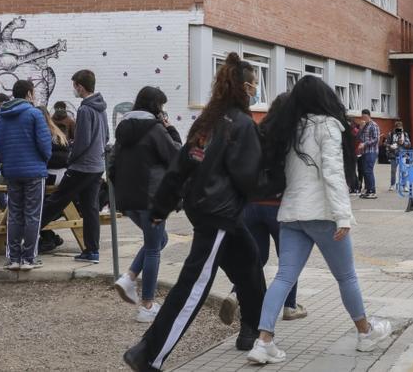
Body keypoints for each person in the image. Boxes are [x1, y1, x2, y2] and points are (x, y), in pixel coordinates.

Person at [123, 53, 266, 371]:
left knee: (250, 263)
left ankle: (254, 332)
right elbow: (247, 177)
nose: (258, 90)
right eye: (256, 84)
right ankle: (149, 355)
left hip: (207, 209)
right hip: (218, 213)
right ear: (244, 87)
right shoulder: (241, 124)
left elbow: (180, 166)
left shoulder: (209, 122)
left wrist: (161, 207)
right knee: (194, 286)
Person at [246, 76, 391, 365]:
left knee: (283, 277)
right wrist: (342, 216)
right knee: (346, 276)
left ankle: (263, 342)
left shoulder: (288, 128)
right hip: (323, 214)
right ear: (324, 97)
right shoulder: (328, 126)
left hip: (291, 214)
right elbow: (333, 174)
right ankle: (365, 333)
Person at [227, 93, 307, 329]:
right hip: (279, 208)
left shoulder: (257, 131)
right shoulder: (293, 136)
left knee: (256, 257)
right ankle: (290, 306)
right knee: (289, 261)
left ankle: (234, 295)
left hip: (251, 206)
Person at [110, 86, 181, 323]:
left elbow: (112, 164)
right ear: (155, 107)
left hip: (128, 200)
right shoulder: (156, 130)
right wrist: (171, 130)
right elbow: (175, 157)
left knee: (160, 240)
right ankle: (147, 305)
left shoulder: (122, 129)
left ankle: (129, 277)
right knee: (153, 248)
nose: (162, 111)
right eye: (161, 106)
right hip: (151, 198)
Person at [38, 70, 108, 260]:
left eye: (74, 86)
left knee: (55, 201)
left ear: (80, 86)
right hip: (97, 165)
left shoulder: (85, 109)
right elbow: (106, 136)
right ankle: (92, 250)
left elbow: (82, 141)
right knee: (90, 208)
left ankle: (25, 236)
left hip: (82, 166)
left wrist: (71, 158)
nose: (74, 90)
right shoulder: (101, 107)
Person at [0, 80, 52, 270]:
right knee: (33, 215)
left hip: (12, 171)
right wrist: (44, 159)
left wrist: (9, 159)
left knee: (14, 214)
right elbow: (45, 144)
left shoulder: (2, 115)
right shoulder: (35, 114)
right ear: (28, 94)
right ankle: (29, 258)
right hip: (34, 171)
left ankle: (13, 258)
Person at [356, 109, 380, 199]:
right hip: (364, 152)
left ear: (369, 116)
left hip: (371, 151)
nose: (363, 119)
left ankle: (372, 191)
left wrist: (365, 144)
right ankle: (368, 189)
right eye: (362, 117)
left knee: (368, 170)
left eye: (365, 117)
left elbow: (376, 139)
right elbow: (358, 137)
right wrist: (360, 128)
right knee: (365, 171)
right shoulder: (364, 126)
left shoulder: (374, 125)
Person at [384, 121, 409, 192]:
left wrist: (403, 142)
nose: (399, 130)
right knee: (393, 171)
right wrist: (391, 146)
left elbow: (409, 144)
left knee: (404, 171)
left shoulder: (405, 134)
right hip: (393, 155)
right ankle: (392, 184)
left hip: (403, 155)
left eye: (400, 128)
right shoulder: (391, 134)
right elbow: (386, 143)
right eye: (398, 128)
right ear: (395, 128)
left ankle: (405, 186)